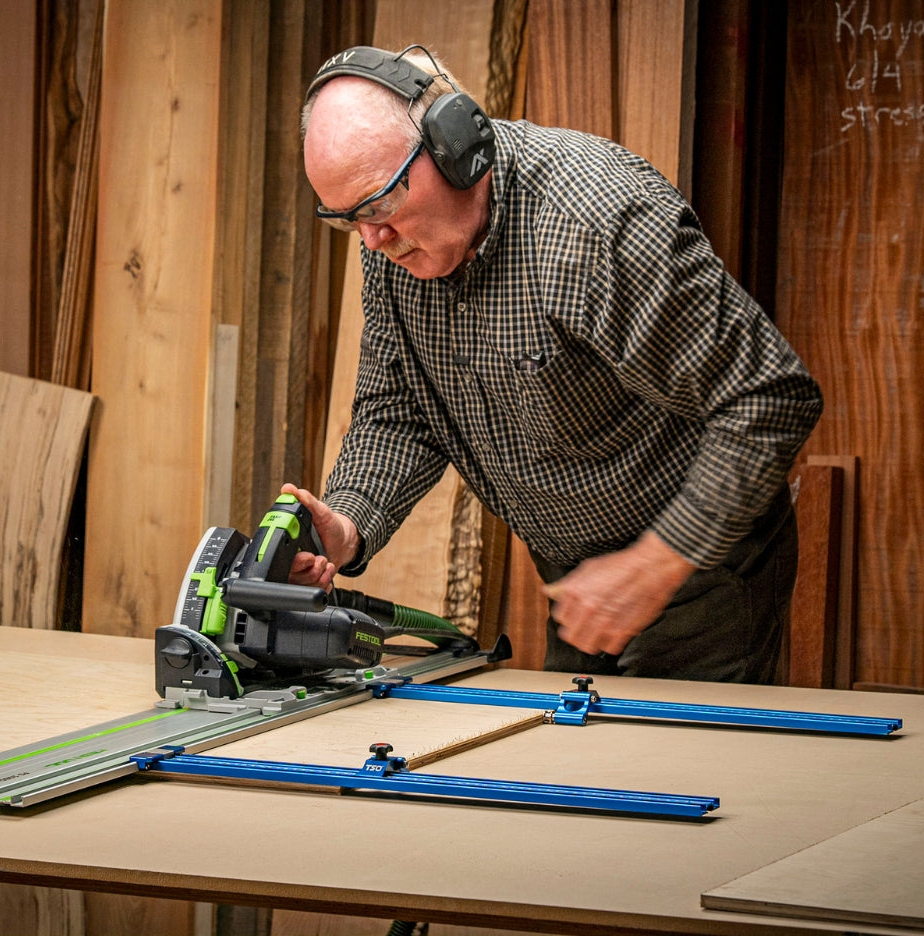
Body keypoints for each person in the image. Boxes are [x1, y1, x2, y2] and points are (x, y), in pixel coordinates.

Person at [282, 44, 823, 683]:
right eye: (348, 220)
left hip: (700, 566)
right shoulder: (393, 243)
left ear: (455, 146)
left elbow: (769, 396)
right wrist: (348, 523)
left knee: (674, 774)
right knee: (580, 765)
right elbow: (400, 411)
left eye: (378, 205)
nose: (372, 239)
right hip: (579, 580)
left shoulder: (597, 222)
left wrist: (656, 563)